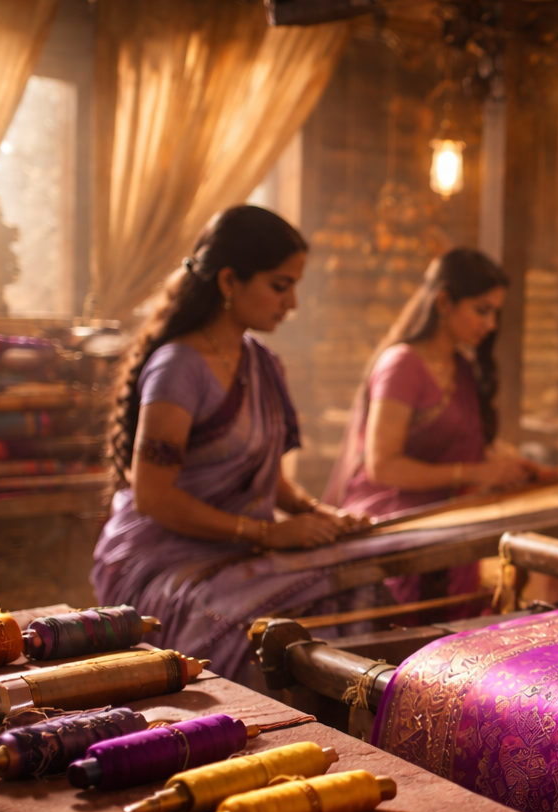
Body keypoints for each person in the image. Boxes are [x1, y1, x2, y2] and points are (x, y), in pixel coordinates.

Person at [92, 206, 367, 668]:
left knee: (356, 583)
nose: (292, 303)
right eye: (280, 286)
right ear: (227, 282)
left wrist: (321, 515)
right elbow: (153, 497)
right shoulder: (178, 367)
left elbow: (269, 482)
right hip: (162, 560)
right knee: (261, 631)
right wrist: (267, 534)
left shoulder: (263, 363)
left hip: (239, 550)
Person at [325, 249, 534, 607]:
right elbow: (383, 465)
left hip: (449, 524)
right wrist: (476, 472)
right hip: (396, 527)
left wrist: (512, 469)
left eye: (496, 312)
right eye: (482, 310)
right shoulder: (402, 365)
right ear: (444, 302)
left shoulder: (463, 369)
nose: (491, 324)